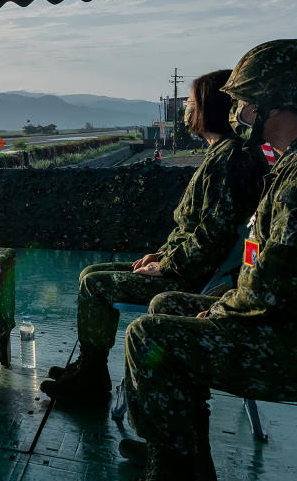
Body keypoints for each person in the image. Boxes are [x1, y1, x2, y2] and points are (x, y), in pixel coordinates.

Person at [124, 39, 297, 480]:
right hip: (273, 316)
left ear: (274, 106)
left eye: (244, 100)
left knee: (149, 335)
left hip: (284, 339)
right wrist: (227, 292)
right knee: (165, 309)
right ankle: (179, 450)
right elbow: (265, 262)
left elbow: (274, 281)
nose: (237, 110)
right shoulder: (285, 167)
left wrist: (221, 306)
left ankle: (179, 468)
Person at [39, 69, 267, 402]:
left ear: (206, 107)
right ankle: (90, 368)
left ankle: (92, 380)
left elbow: (213, 234)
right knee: (90, 272)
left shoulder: (228, 160)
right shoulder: (223, 155)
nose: (186, 110)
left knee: (93, 284)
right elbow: (198, 229)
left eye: (190, 103)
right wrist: (160, 255)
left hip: (191, 278)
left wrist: (166, 265)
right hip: (185, 265)